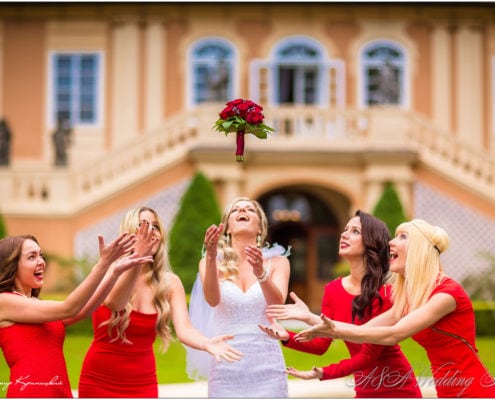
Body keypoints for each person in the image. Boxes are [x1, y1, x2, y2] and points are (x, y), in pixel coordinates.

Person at [295, 219, 495, 398]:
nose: (391, 241)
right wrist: (310, 318)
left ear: (420, 248)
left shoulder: (446, 294)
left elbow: (393, 335)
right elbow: (366, 330)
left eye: (403, 236)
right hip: (448, 391)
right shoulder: (411, 297)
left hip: (474, 390)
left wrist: (335, 331)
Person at [78, 206, 243, 398]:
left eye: (156, 226)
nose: (152, 231)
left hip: (143, 382)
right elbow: (116, 303)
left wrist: (206, 343)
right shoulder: (110, 269)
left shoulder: (170, 283)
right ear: (129, 233)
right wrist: (137, 258)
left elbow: (185, 329)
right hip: (99, 381)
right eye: (143, 226)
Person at [260, 210, 421, 398]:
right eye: (345, 229)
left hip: (398, 387)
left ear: (371, 241)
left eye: (355, 231)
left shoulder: (387, 294)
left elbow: (368, 355)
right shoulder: (333, 289)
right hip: (364, 387)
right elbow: (321, 345)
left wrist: (324, 372)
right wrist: (287, 336)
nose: (344, 234)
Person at [0, 230, 154, 398]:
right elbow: (69, 308)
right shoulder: (5, 301)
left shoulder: (37, 306)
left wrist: (113, 273)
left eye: (41, 255)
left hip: (59, 392)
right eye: (32, 257)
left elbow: (83, 309)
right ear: (12, 266)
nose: (41, 262)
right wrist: (102, 264)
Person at [187, 197, 291, 398]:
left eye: (250, 209)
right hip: (225, 360)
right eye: (236, 210)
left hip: (266, 362)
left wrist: (261, 272)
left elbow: (277, 304)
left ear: (260, 227)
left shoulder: (278, 262)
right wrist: (209, 257)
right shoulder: (210, 262)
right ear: (226, 227)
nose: (242, 210)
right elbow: (212, 300)